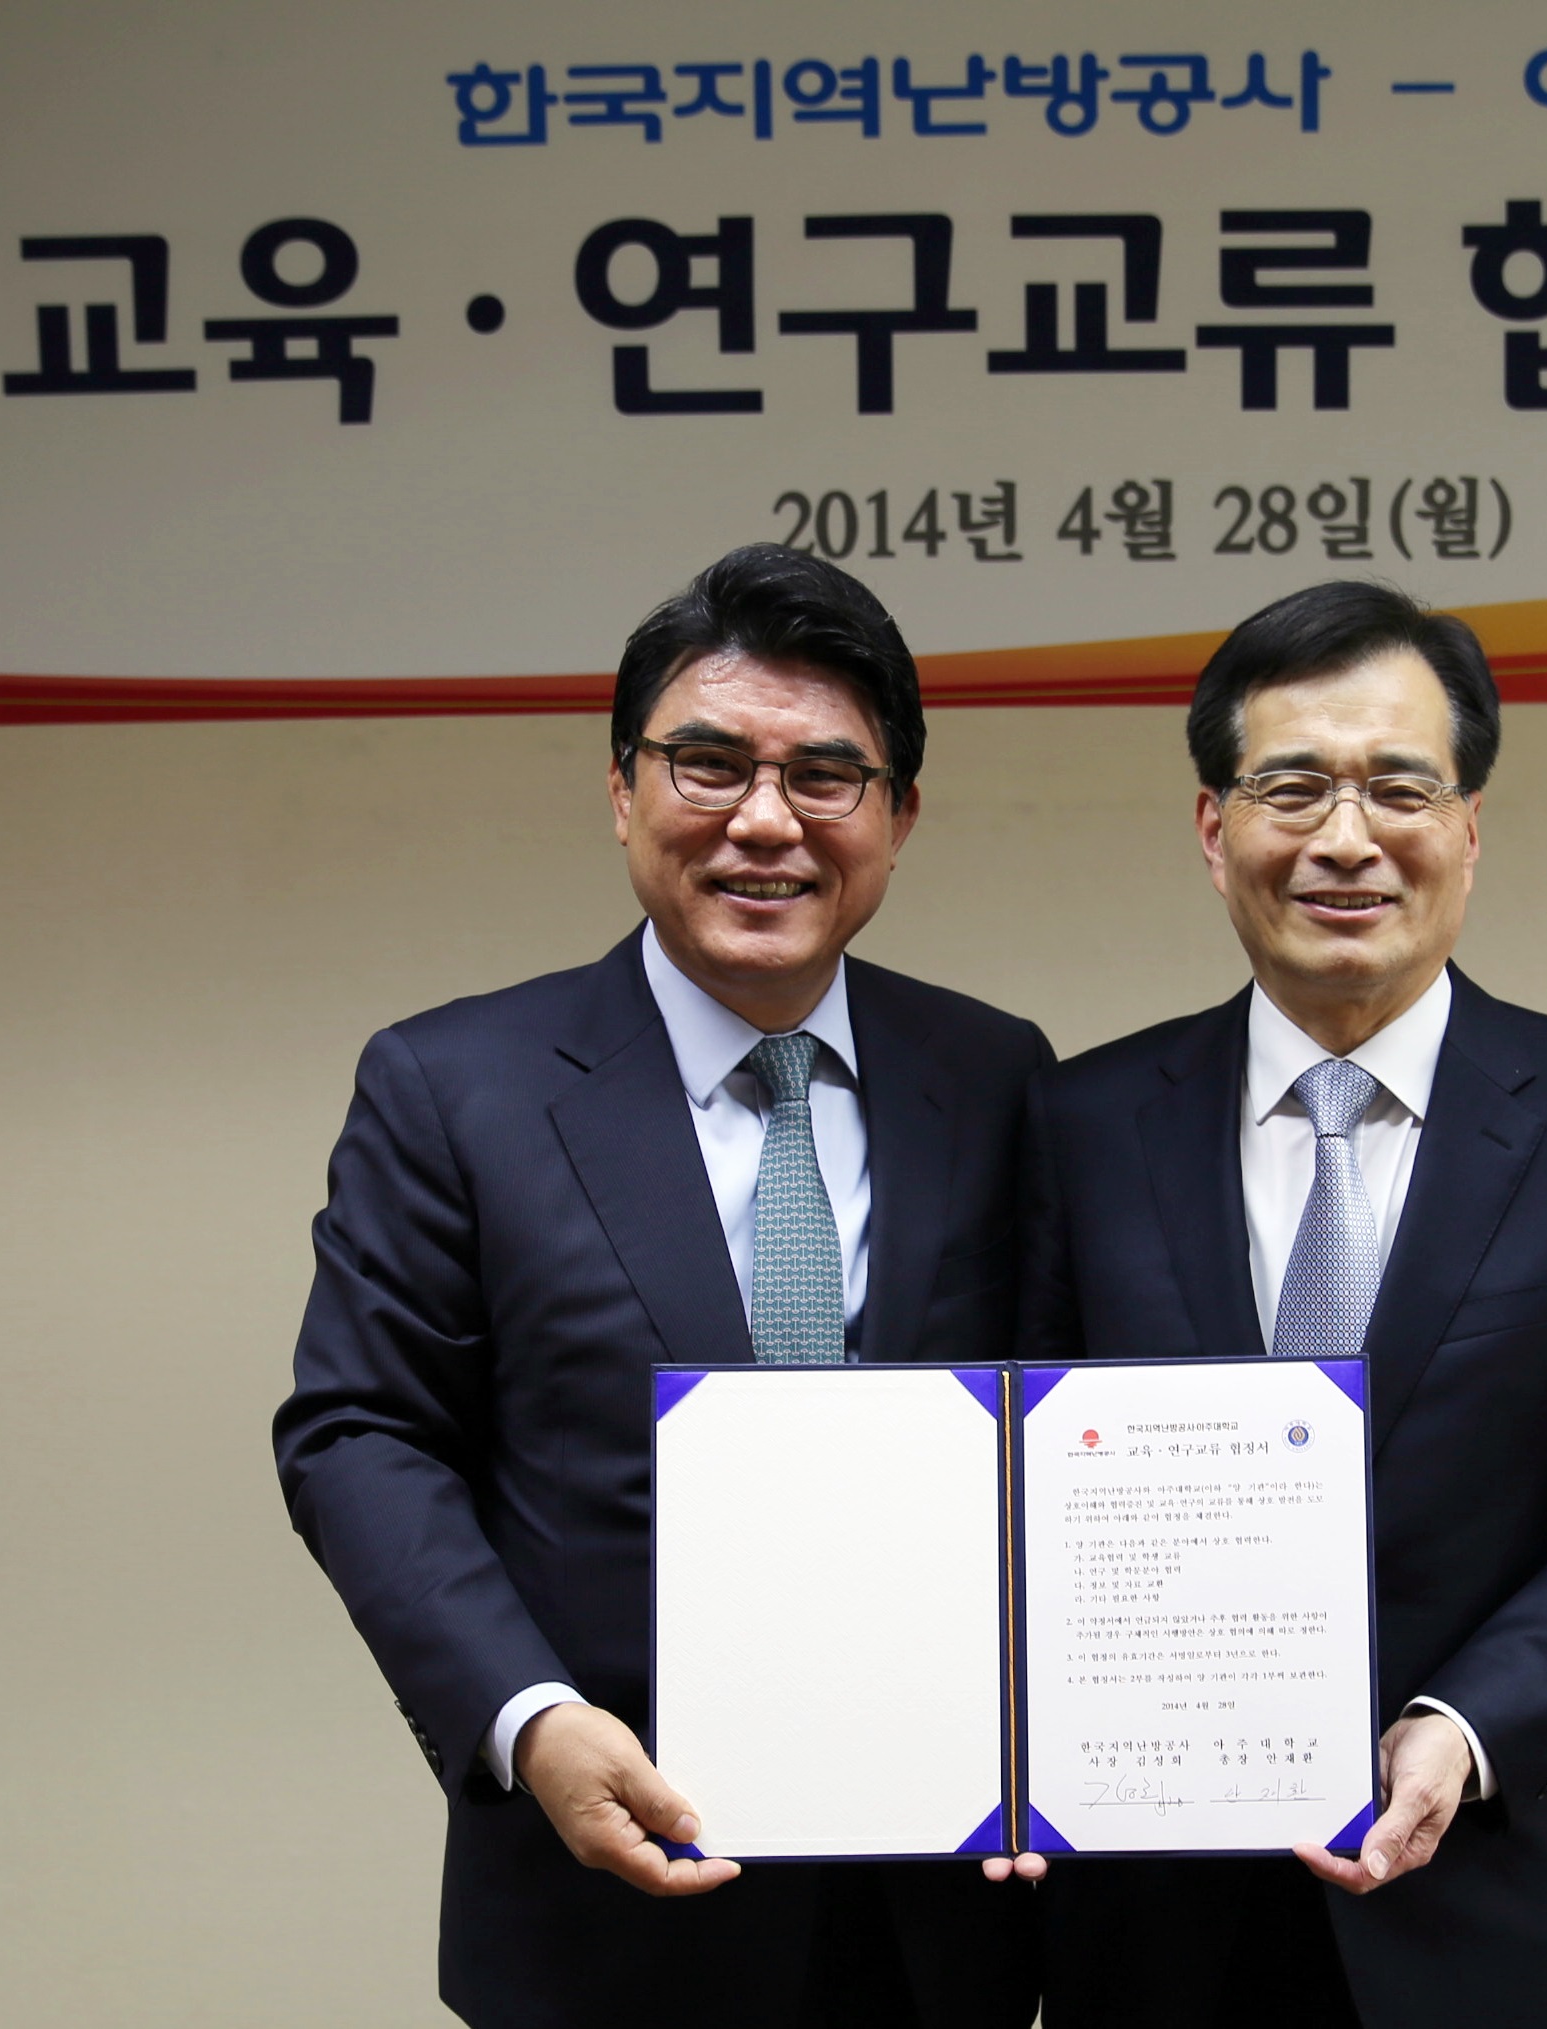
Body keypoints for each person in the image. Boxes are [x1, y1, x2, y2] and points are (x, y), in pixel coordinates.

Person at [273, 545, 1047, 2029]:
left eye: (827, 775)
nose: (766, 819)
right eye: (710, 763)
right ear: (623, 789)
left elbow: (1054, 1426)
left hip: (939, 1909)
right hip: (607, 1900)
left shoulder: (995, 1074)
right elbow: (361, 1435)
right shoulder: (455, 1087)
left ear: (898, 817)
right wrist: (530, 1721)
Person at [1011, 581, 1547, 2028]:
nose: (1346, 838)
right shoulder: (1081, 1121)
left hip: (1493, 1890)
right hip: (1153, 1908)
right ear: (1213, 828)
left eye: (1400, 789)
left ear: (1469, 826)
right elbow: (1012, 1479)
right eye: (1291, 787)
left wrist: (1466, 1724)